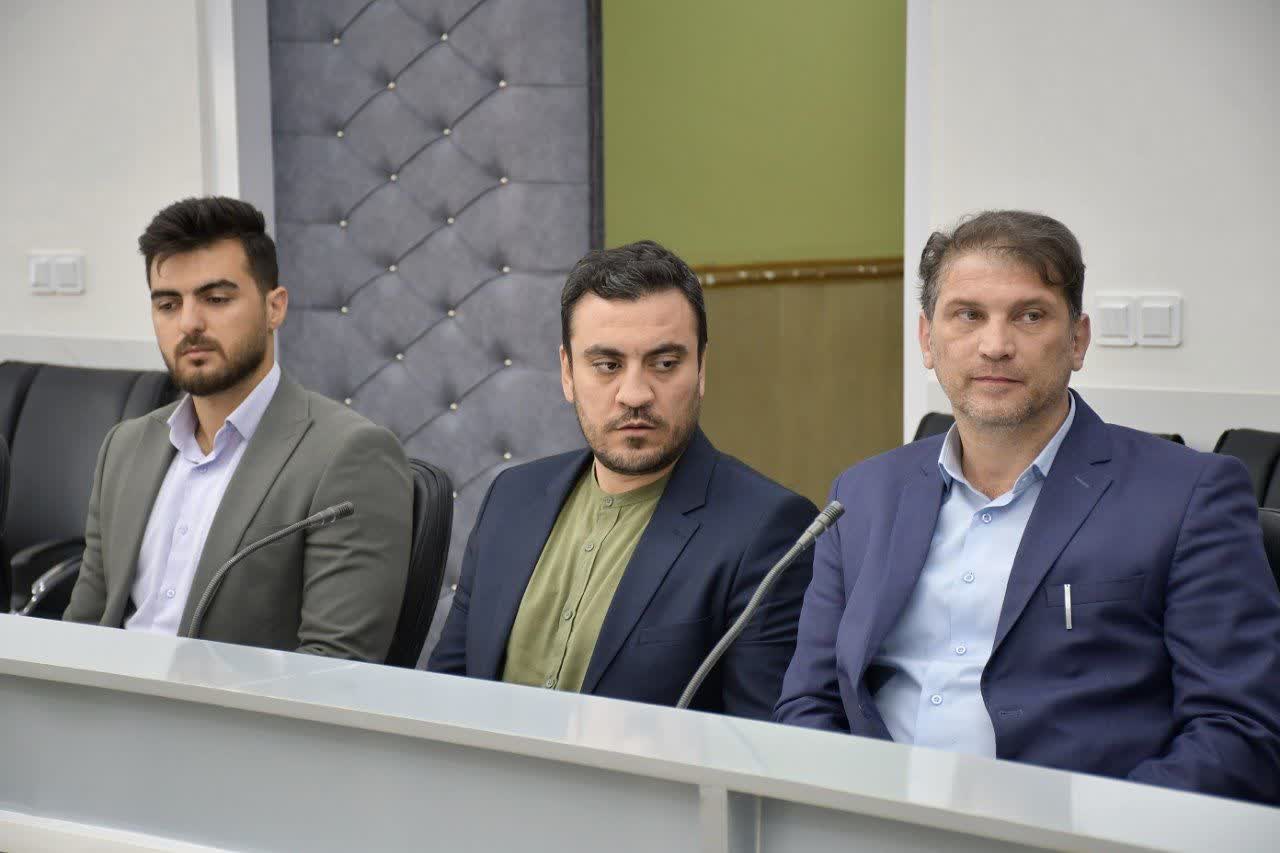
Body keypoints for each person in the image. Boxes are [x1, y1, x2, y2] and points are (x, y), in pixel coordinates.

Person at [775, 210, 1280, 804]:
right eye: (968, 315)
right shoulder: (861, 495)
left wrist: (1090, 834)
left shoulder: (1189, 495)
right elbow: (809, 703)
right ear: (927, 340)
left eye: (1030, 315)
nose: (995, 346)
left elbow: (1239, 732)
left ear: (1078, 340)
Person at [429, 240, 816, 718]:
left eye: (665, 364)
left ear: (701, 370)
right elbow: (446, 693)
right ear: (568, 373)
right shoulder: (511, 497)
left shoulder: (768, 530)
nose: (634, 394)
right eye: (607, 366)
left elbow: (759, 744)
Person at [63, 196, 412, 661]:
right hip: (104, 699)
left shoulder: (349, 454)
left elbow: (336, 666)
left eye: (216, 299)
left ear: (274, 308)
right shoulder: (125, 447)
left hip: (234, 708)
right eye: (168, 304)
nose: (189, 323)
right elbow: (83, 628)